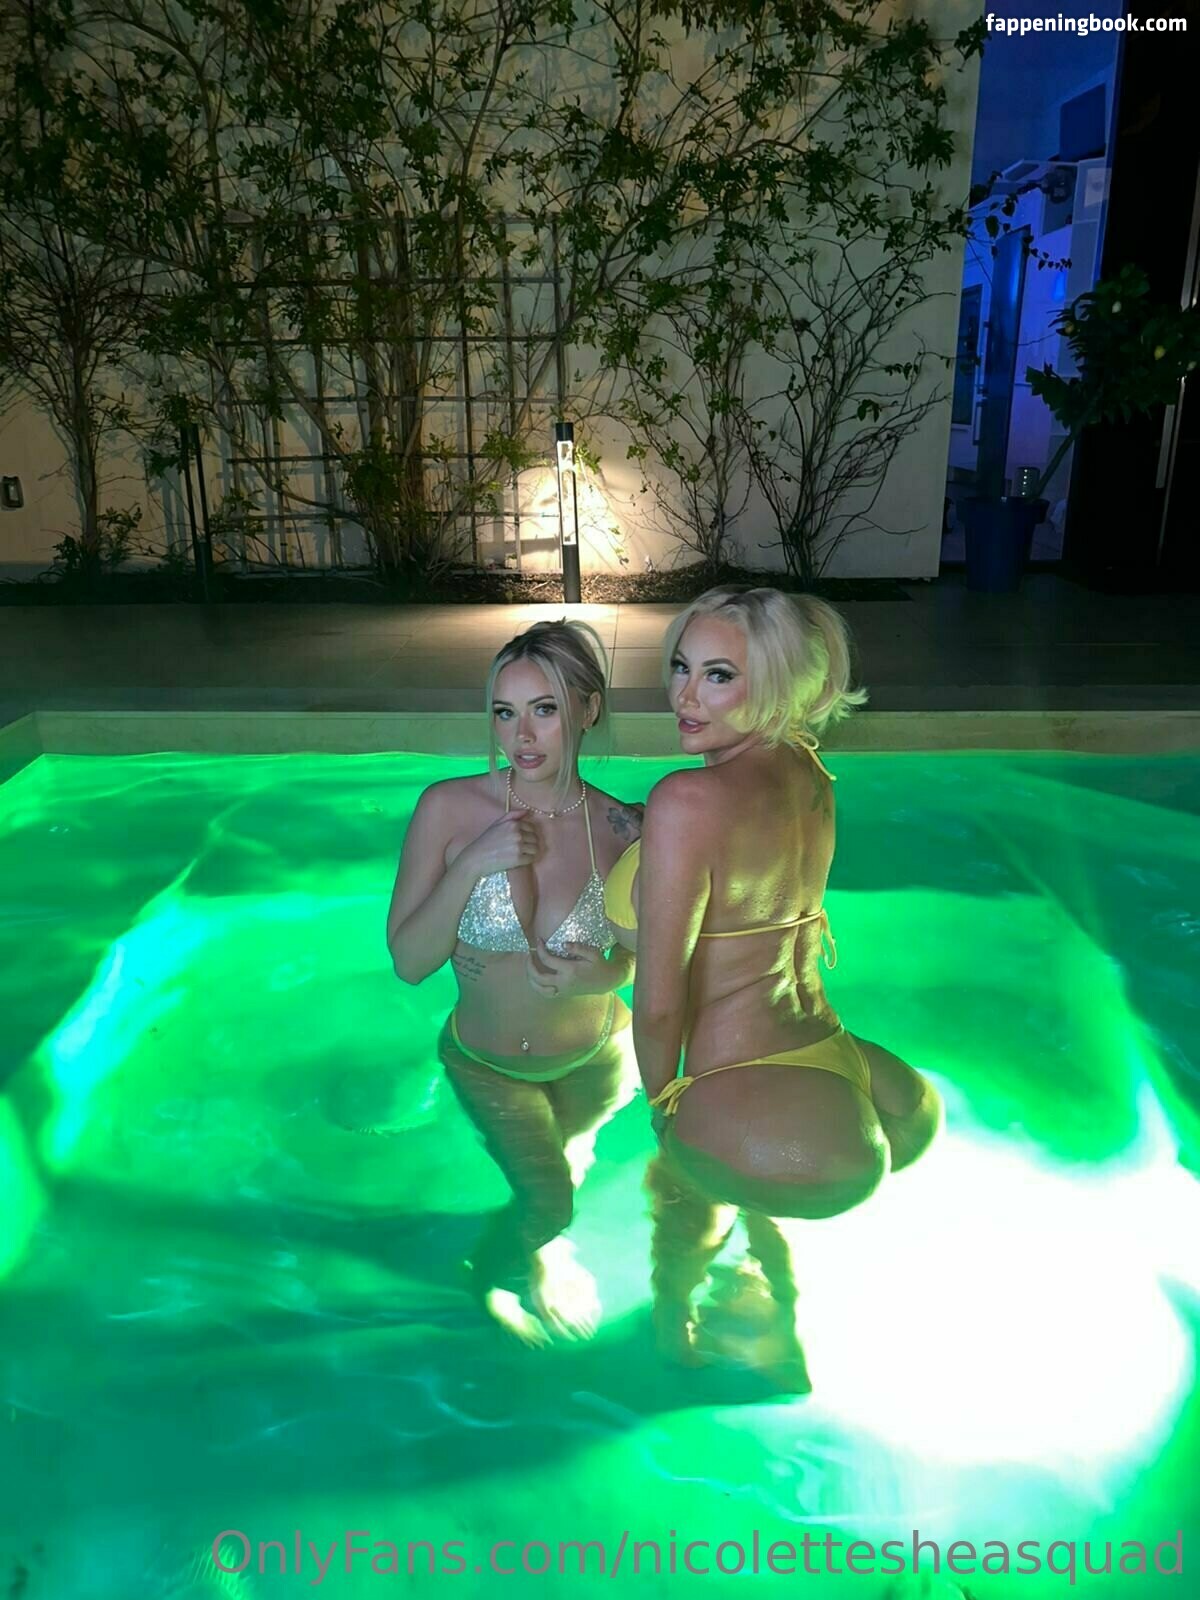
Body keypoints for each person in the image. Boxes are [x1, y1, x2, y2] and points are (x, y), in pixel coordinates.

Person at [604, 586, 941, 1389]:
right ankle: (783, 1322)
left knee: (679, 1181)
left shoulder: (684, 800)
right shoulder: (811, 774)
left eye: (719, 676)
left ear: (779, 684)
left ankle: (673, 1326)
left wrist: (662, 1104)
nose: (685, 695)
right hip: (865, 1083)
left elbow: (659, 1000)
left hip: (761, 1098)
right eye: (681, 667)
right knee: (739, 1148)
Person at [387, 620, 641, 1346]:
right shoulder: (449, 809)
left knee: (562, 1171)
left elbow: (647, 960)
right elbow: (410, 962)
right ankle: (493, 1272)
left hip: (597, 1060)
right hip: (488, 1062)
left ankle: (538, 1245)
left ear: (588, 710)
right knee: (551, 1200)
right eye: (505, 712)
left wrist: (605, 971)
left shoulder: (622, 827)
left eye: (544, 710)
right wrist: (474, 863)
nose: (521, 736)